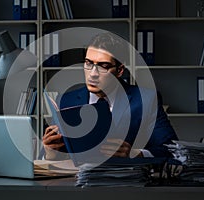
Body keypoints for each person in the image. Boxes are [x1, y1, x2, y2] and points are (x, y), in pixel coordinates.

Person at [42, 32, 178, 160]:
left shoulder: (146, 100)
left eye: (104, 66)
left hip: (126, 182)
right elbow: (58, 154)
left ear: (119, 71)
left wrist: (136, 154)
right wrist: (50, 153)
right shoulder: (66, 100)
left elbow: (172, 150)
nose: (93, 73)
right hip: (78, 182)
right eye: (88, 63)